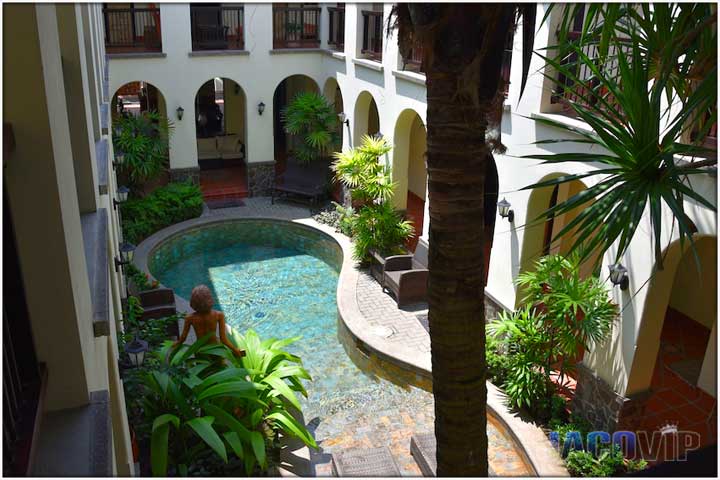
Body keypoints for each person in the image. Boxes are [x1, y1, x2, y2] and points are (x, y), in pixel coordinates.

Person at [172, 285, 245, 357]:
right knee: (220, 368)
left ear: (193, 301)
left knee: (202, 368)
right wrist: (235, 350)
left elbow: (183, 338)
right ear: (209, 299)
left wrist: (175, 344)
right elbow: (223, 339)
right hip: (216, 349)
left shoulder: (190, 318)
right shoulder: (218, 315)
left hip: (200, 349)